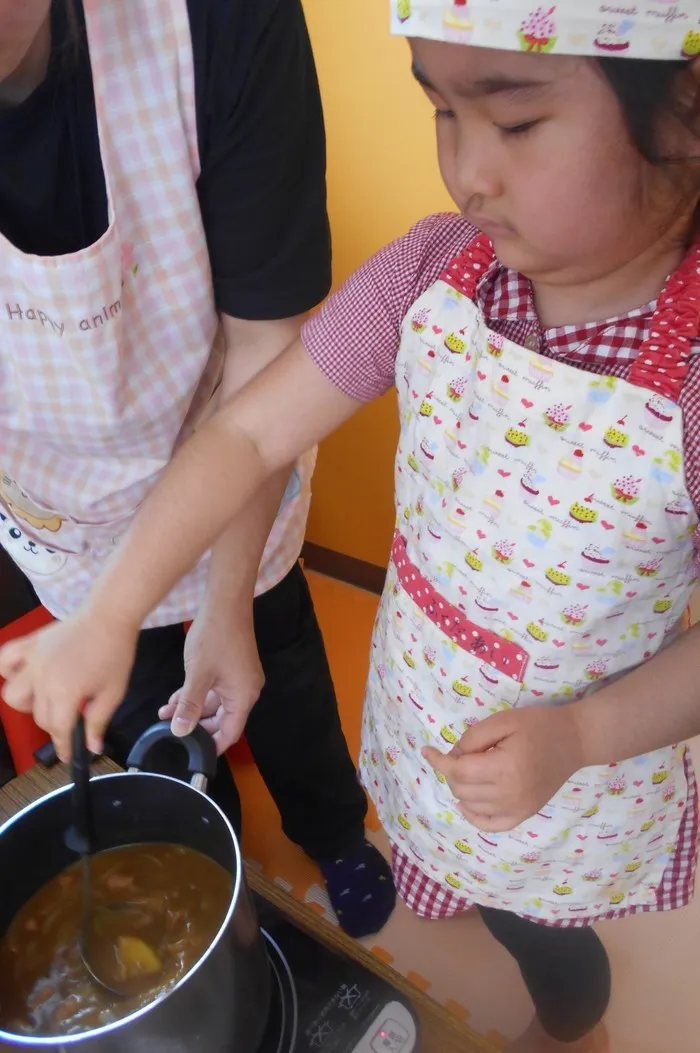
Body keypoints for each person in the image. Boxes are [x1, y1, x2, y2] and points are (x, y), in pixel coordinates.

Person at [4, 0, 700, 1046]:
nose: (468, 171)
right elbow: (246, 436)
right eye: (440, 111)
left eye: (512, 124)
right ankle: (444, 868)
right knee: (432, 836)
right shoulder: (432, 269)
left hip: (571, 770)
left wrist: (581, 736)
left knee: (537, 926)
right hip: (422, 702)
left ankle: (574, 1026)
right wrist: (113, 613)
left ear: (683, 112)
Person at [0, 0, 396, 942]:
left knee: (281, 668)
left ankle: (336, 834)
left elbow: (266, 370)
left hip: (232, 481)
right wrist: (105, 616)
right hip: (67, 523)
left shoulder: (223, 23)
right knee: (151, 723)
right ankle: (213, 860)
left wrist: (224, 604)